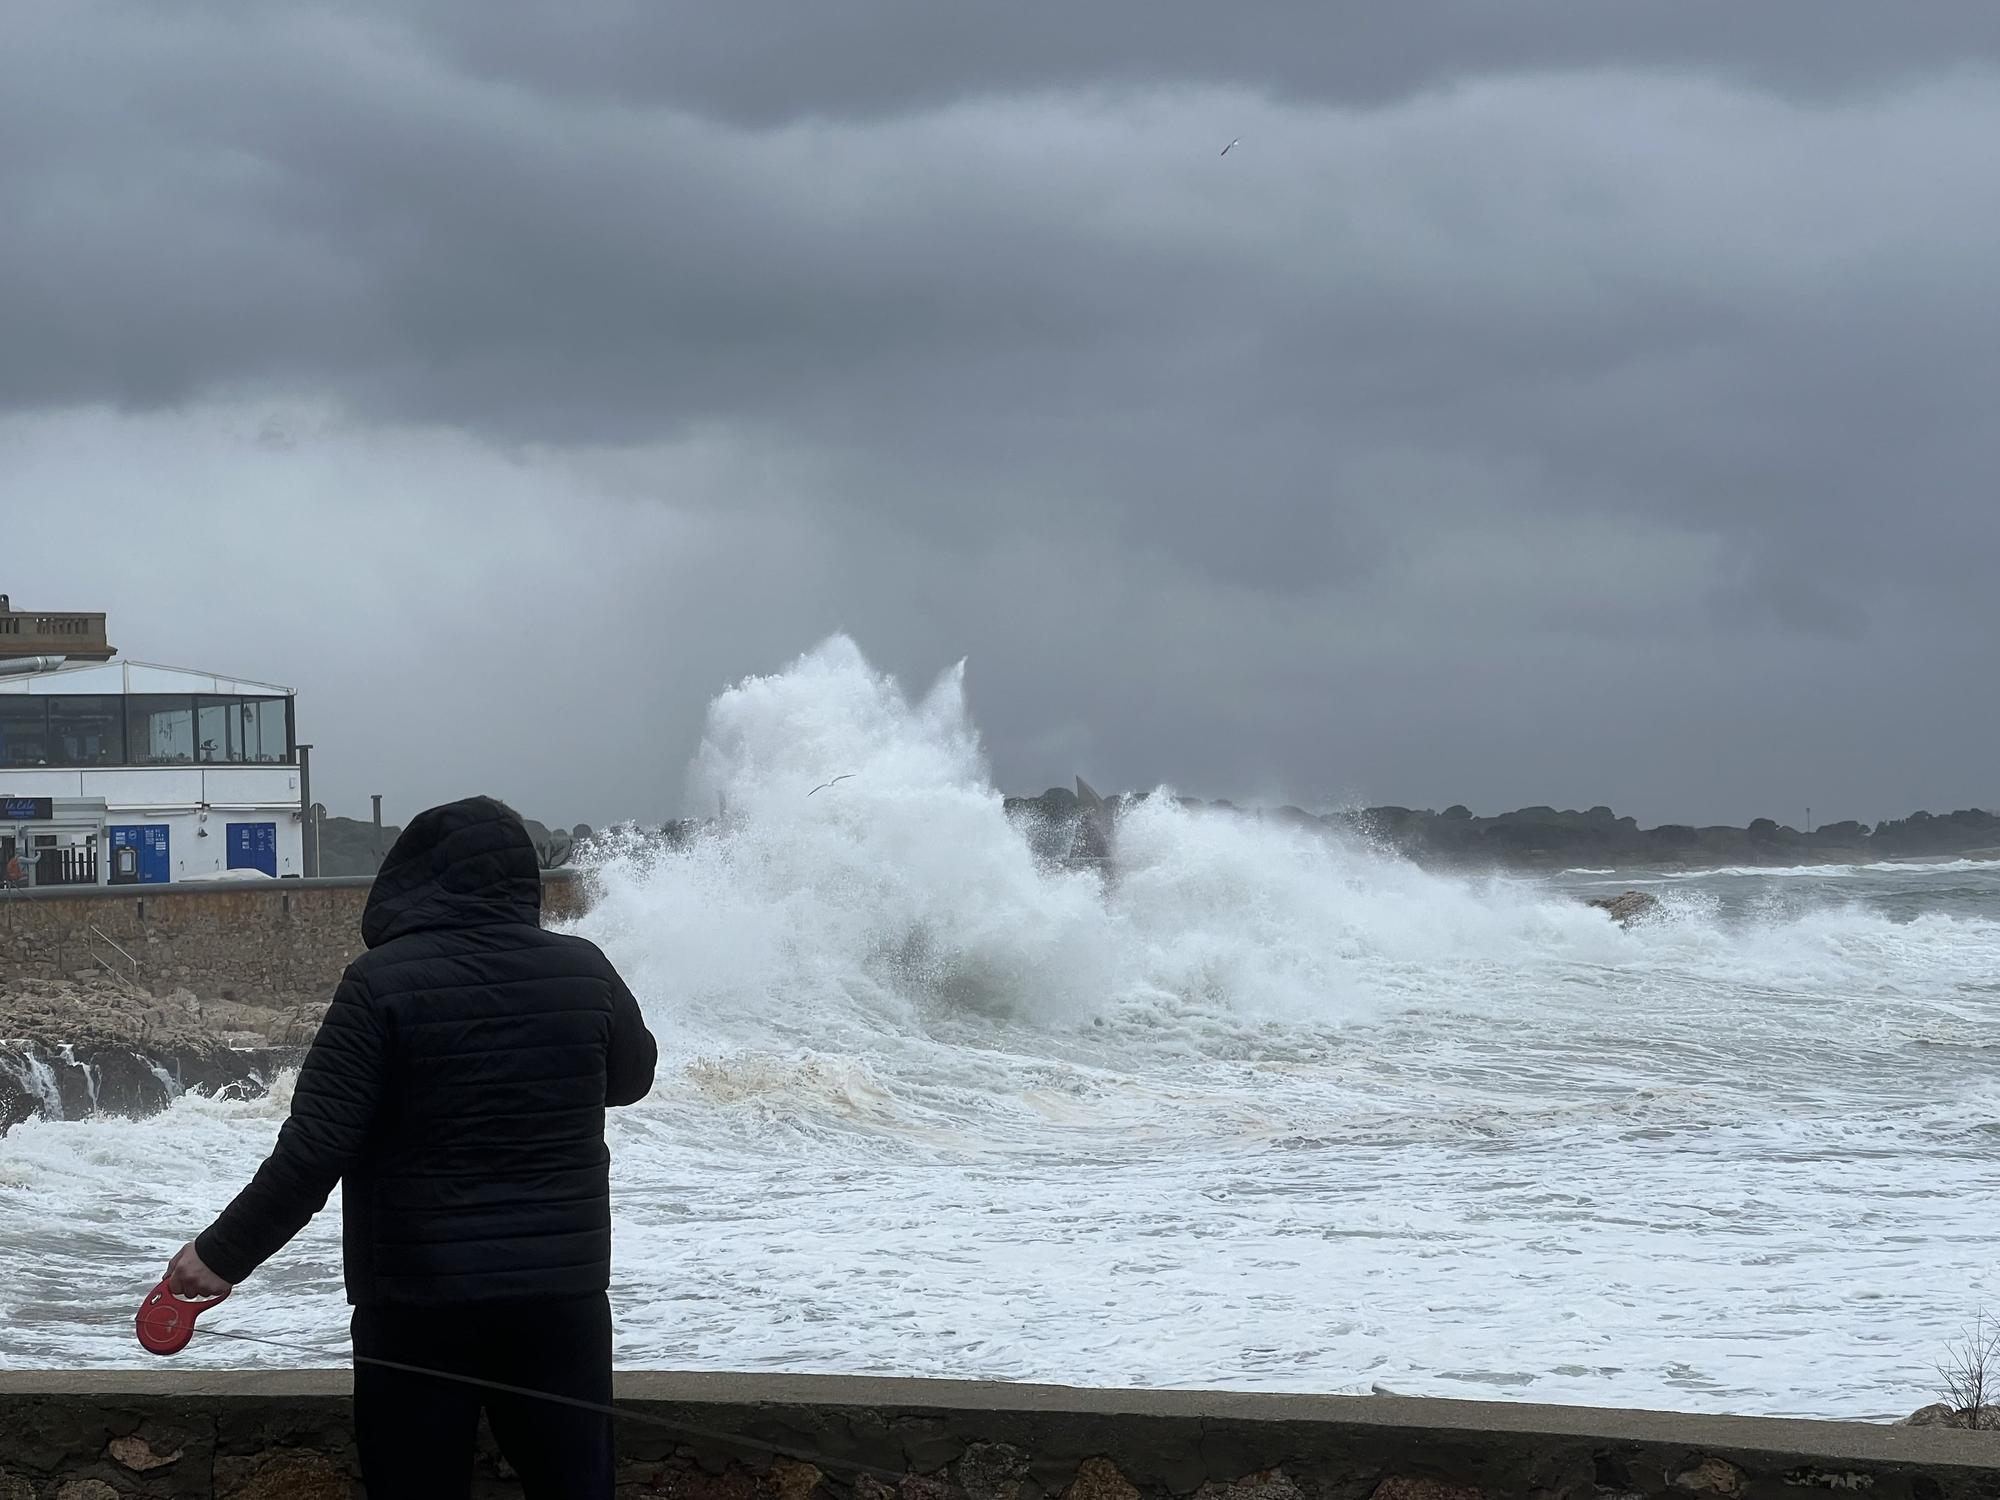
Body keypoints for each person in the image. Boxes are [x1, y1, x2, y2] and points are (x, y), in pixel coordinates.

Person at [164, 796, 658, 1498]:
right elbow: (632, 1077)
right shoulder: (584, 970)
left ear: (415, 878)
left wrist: (220, 1256)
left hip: (420, 1304)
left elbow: (315, 1148)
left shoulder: (381, 984)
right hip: (560, 1300)